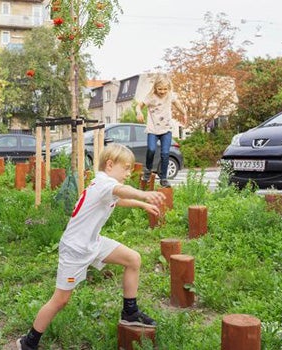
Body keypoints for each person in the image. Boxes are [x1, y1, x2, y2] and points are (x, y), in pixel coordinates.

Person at [17, 144, 166, 350]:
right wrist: (143, 195)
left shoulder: (101, 184)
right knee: (60, 300)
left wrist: (141, 205)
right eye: (126, 168)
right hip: (75, 249)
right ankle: (28, 342)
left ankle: (130, 312)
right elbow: (120, 190)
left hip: (92, 243)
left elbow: (117, 199)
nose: (129, 173)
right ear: (110, 165)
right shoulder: (106, 184)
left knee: (133, 259)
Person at [135, 74, 187, 188]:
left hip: (166, 129)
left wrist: (184, 113)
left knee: (165, 153)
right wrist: (138, 112)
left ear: (168, 88)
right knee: (151, 149)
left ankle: (163, 178)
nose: (162, 92)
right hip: (153, 129)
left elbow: (177, 103)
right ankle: (148, 170)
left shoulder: (170, 95)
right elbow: (139, 106)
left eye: (165, 89)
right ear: (155, 87)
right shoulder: (151, 97)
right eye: (160, 89)